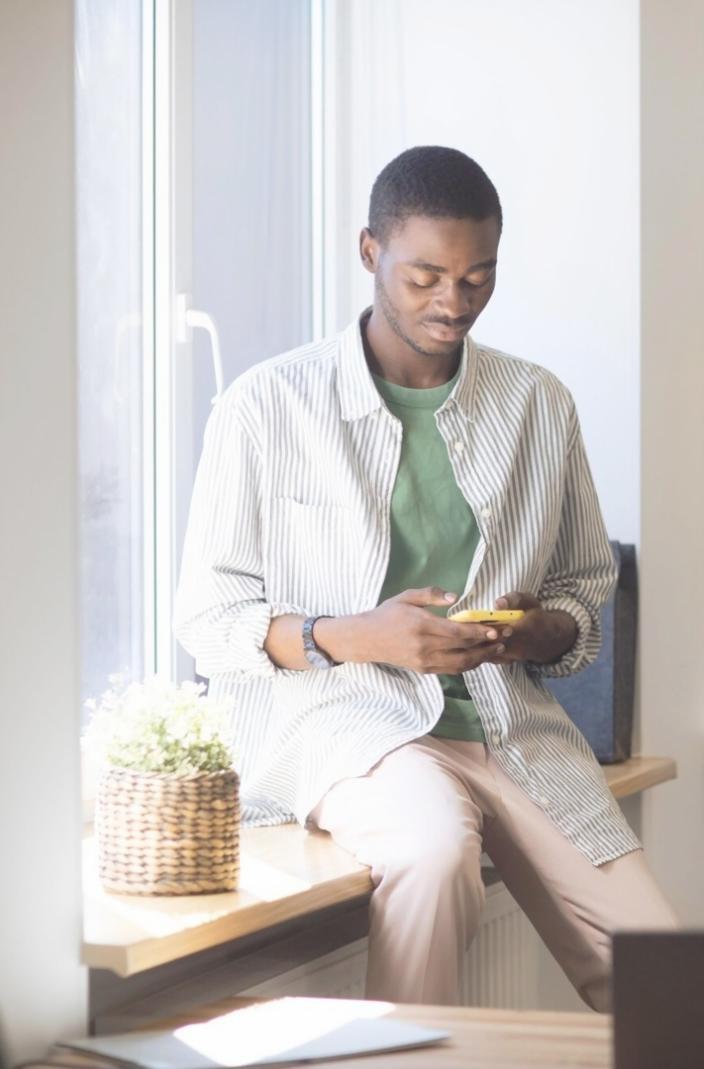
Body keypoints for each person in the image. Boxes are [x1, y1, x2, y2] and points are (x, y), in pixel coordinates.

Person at [175, 145, 676, 1009]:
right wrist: (352, 635)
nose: (453, 303)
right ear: (370, 253)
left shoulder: (538, 405)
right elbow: (207, 619)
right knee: (435, 851)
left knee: (670, 975)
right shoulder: (266, 406)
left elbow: (585, 587)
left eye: (477, 279)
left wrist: (536, 629)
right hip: (352, 730)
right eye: (425, 278)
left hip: (516, 729)